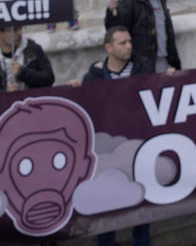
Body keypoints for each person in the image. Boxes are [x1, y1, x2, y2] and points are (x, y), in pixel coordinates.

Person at [65, 27, 151, 245]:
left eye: (130, 41)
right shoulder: (93, 77)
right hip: (107, 153)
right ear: (108, 47)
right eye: (123, 43)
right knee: (107, 207)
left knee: (141, 206)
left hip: (137, 147)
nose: (129, 46)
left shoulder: (144, 70)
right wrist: (77, 90)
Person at [106, 0, 180, 74]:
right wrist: (112, 13)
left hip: (163, 62)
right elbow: (116, 30)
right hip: (142, 66)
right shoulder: (130, 1)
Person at [0, 26, 54, 95]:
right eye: (14, 30)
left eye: (20, 28)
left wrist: (23, 73)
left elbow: (49, 79)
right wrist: (4, 93)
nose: (20, 33)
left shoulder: (33, 49)